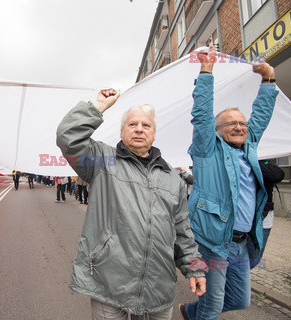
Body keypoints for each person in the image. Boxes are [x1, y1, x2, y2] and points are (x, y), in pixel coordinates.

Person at [56, 88, 206, 319]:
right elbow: (68, 137)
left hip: (158, 287)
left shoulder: (172, 178)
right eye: (132, 124)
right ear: (122, 131)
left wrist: (195, 266)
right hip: (109, 283)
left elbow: (183, 231)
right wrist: (98, 107)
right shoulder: (103, 161)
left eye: (146, 126)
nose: (139, 129)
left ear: (154, 134)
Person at [180, 44, 278, 320]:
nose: (239, 127)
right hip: (212, 242)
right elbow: (201, 114)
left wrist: (268, 79)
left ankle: (189, 311)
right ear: (217, 130)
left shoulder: (249, 146)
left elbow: (261, 114)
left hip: (242, 243)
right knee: (212, 305)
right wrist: (206, 70)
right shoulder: (206, 149)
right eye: (231, 123)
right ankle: (197, 312)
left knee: (240, 299)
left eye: (242, 124)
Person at [246, 159, 284, 269]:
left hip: (264, 216)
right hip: (244, 216)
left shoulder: (266, 160)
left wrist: (253, 162)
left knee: (255, 258)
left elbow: (277, 175)